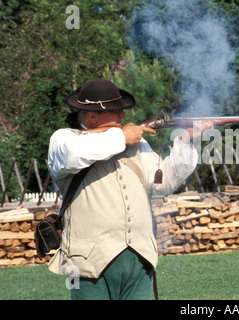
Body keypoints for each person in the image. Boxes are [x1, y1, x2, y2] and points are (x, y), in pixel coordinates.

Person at [47, 78, 213, 300]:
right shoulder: (64, 140)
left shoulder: (135, 144)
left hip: (139, 258)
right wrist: (122, 137)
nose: (123, 116)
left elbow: (164, 182)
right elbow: (75, 153)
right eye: (116, 111)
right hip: (84, 265)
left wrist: (185, 141)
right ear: (92, 116)